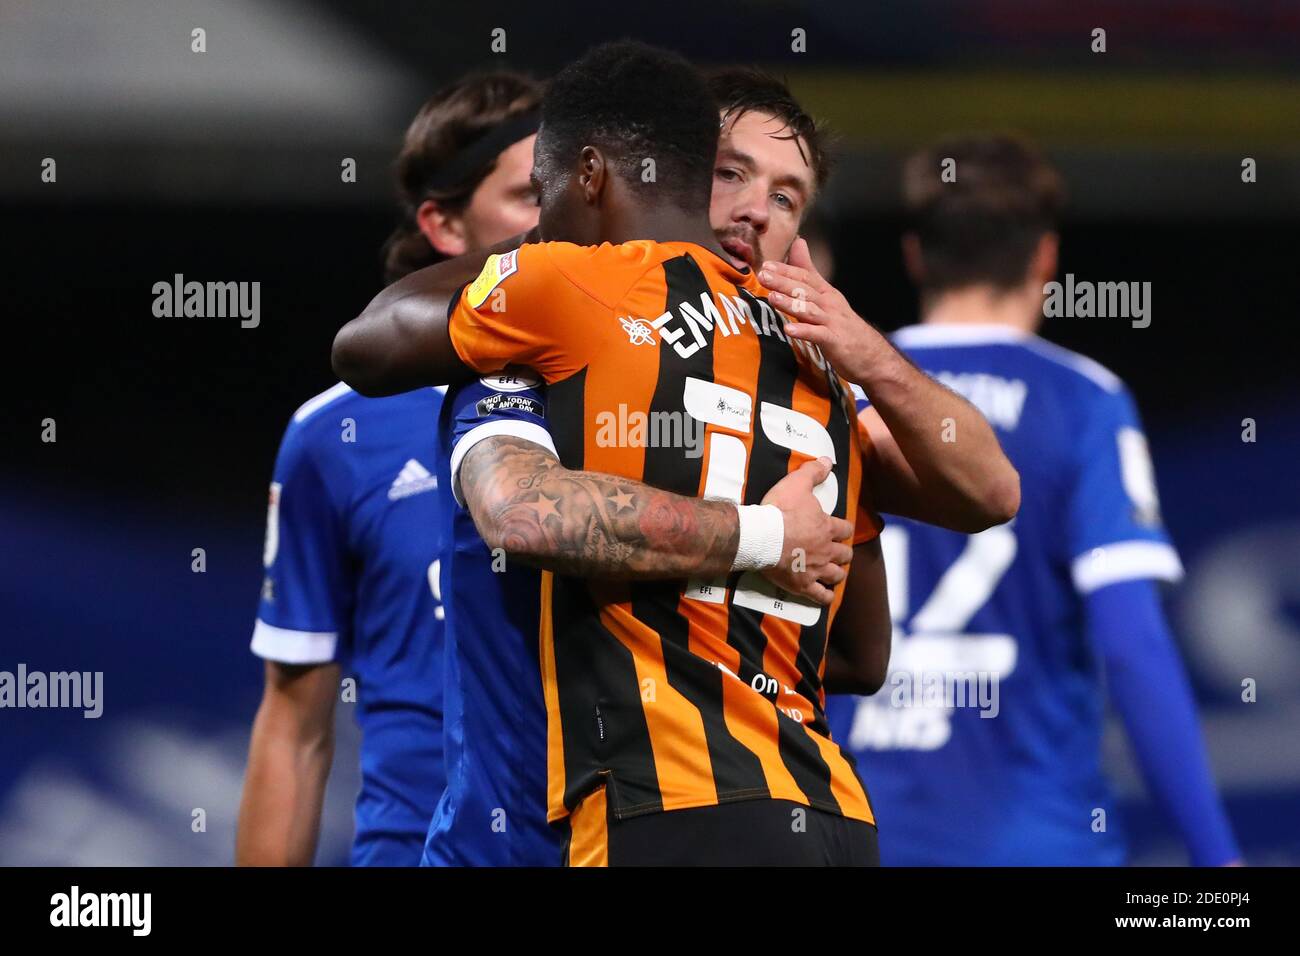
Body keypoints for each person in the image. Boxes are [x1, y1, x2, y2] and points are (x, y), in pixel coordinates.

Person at [827, 133, 1242, 867]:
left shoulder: (838, 391)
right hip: (1037, 843)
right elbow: (1134, 644)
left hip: (858, 836)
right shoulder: (1083, 403)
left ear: (916, 254)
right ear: (1046, 259)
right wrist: (1217, 863)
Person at [235, 72, 543, 866]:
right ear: (442, 223)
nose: (561, 226)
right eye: (527, 197)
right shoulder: (336, 435)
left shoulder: (644, 397)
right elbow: (295, 729)